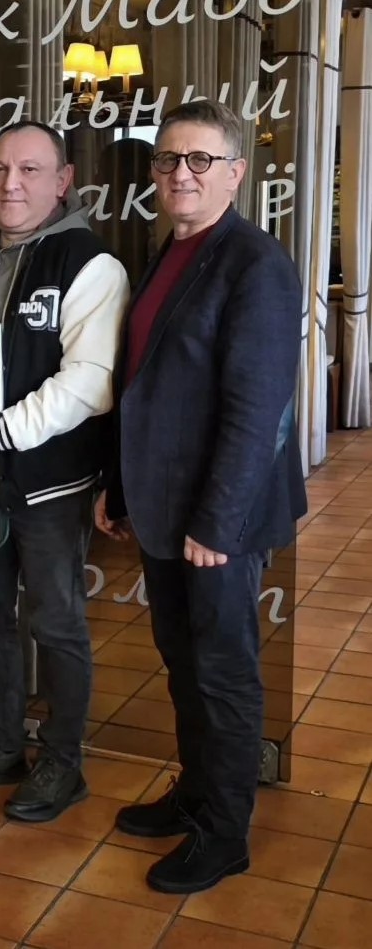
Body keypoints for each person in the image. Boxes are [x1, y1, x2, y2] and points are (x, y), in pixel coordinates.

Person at [95, 100, 307, 895]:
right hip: (164, 506)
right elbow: (143, 386)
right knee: (182, 663)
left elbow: (257, 410)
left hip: (218, 519)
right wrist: (118, 488)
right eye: (167, 159)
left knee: (222, 672)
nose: (179, 173)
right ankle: (194, 793)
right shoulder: (170, 251)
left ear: (234, 174)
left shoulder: (255, 264)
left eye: (198, 160)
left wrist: (216, 523)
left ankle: (224, 833)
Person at [0, 120, 130, 822]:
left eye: (29, 170)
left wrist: (5, 429)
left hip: (50, 480)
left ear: (63, 180)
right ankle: (0, 743)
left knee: (56, 622)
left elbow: (91, 382)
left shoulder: (90, 264)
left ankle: (62, 764)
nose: (10, 184)